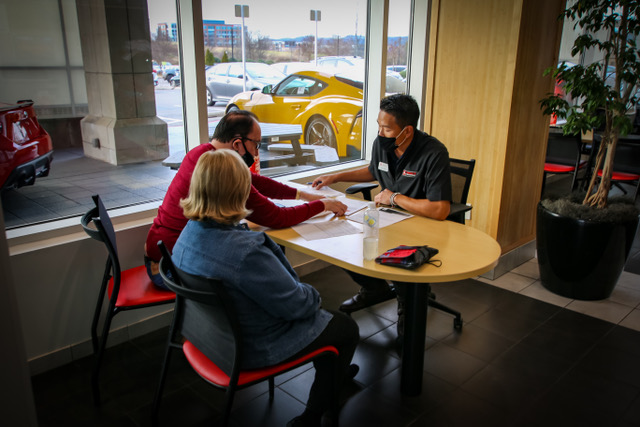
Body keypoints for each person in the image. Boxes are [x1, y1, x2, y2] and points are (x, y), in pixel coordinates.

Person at [171, 149, 359, 427]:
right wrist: (312, 293)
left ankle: (333, 372)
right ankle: (311, 416)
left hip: (207, 339)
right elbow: (297, 306)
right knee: (344, 327)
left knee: (327, 325)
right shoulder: (246, 251)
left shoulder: (187, 234)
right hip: (250, 348)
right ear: (240, 192)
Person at [145, 110, 347, 287]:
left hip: (168, 255)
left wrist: (301, 194)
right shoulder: (224, 176)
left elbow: (254, 181)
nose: (257, 151)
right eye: (256, 144)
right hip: (172, 269)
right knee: (257, 276)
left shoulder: (204, 155)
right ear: (237, 143)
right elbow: (277, 217)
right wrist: (323, 205)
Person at [312, 94, 452, 340]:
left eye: (387, 128)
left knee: (399, 259)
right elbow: (373, 170)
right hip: (388, 218)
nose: (380, 133)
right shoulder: (383, 144)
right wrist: (335, 177)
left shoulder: (433, 152)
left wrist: (394, 197)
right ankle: (374, 288)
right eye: (379, 126)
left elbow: (440, 209)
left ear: (407, 131)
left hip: (421, 226)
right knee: (342, 243)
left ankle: (407, 302)